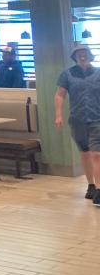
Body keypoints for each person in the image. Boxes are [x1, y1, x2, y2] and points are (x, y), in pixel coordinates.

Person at [55, 45, 100, 203]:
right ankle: (91, 185)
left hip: (97, 119)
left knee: (97, 154)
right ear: (74, 57)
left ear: (90, 55)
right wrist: (58, 115)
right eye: (79, 54)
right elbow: (60, 95)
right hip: (77, 119)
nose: (82, 56)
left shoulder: (98, 72)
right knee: (85, 153)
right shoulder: (68, 74)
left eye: (85, 53)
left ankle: (99, 191)